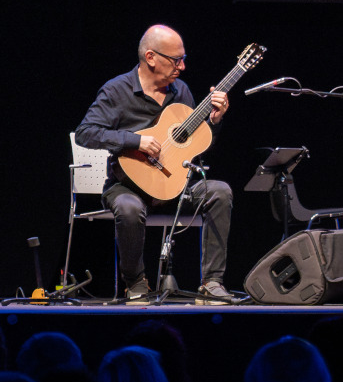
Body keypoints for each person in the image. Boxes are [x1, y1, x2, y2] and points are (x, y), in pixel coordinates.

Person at [75, 24, 237, 303]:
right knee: (128, 208)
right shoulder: (117, 91)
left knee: (219, 191)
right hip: (128, 187)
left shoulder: (180, 91)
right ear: (150, 57)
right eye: (176, 60)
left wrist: (214, 122)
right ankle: (136, 283)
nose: (182, 67)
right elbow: (85, 133)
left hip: (172, 187)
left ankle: (211, 283)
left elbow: (194, 147)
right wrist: (134, 141)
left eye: (183, 59)